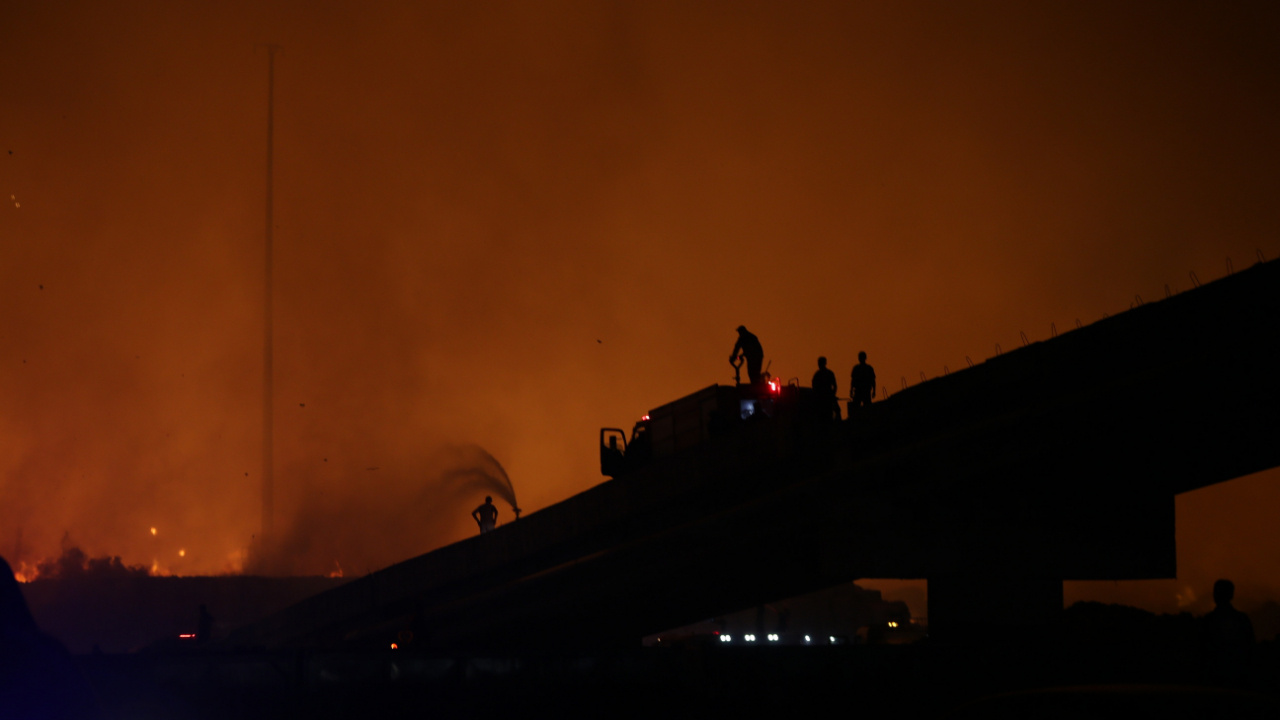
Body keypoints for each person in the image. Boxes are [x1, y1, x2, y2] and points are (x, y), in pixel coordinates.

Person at [1201, 578, 1255, 686]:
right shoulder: (1242, 619)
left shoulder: (1208, 621)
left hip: (1214, 676)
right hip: (1238, 675)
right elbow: (1250, 647)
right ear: (1231, 595)